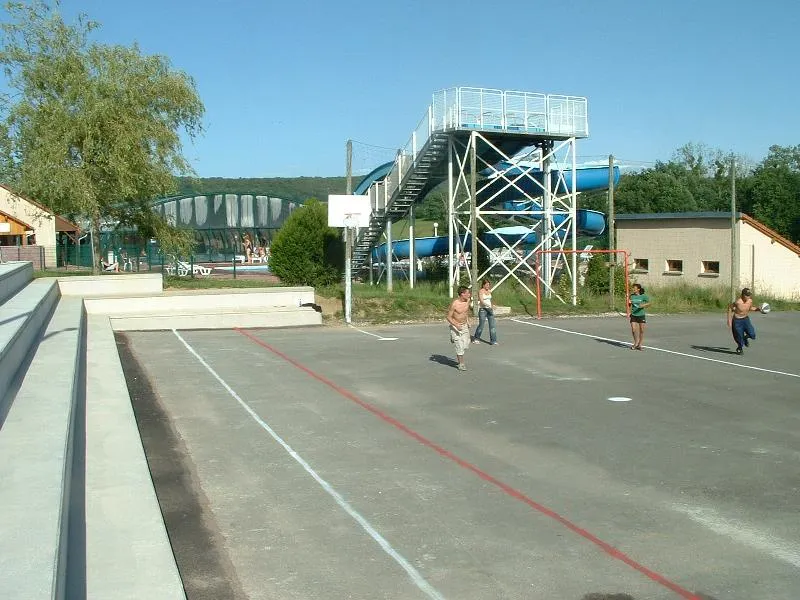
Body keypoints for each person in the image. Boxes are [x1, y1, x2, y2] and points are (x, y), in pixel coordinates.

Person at [727, 287, 762, 354]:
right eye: (747, 295)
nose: (748, 297)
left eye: (749, 295)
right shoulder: (738, 302)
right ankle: (740, 348)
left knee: (752, 334)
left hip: (745, 319)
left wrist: (758, 309)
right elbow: (730, 308)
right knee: (739, 337)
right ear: (743, 295)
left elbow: (750, 308)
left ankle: (745, 338)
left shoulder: (750, 301)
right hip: (737, 321)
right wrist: (729, 320)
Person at [446, 285, 472, 371]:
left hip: (464, 325)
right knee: (459, 346)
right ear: (462, 294)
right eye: (467, 293)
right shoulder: (454, 304)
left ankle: (453, 338)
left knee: (466, 344)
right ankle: (461, 364)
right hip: (455, 326)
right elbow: (449, 317)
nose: (469, 294)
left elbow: (465, 312)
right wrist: (456, 325)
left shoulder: (468, 301)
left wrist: (468, 321)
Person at [473, 279, 498, 345]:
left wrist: (492, 305)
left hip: (489, 310)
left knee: (492, 326)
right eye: (486, 285)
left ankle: (493, 341)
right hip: (483, 310)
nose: (488, 286)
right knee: (481, 325)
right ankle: (476, 338)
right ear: (483, 285)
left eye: (489, 285)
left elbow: (490, 300)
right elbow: (481, 301)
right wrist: (489, 305)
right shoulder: (481, 291)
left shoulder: (489, 291)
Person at [628, 283, 650, 350]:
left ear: (638, 289)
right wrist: (628, 303)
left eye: (634, 289)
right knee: (634, 330)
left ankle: (640, 345)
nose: (633, 290)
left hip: (641, 315)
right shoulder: (631, 296)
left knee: (642, 330)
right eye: (633, 288)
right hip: (633, 315)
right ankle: (636, 343)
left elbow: (649, 303)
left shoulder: (643, 296)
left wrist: (643, 305)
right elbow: (628, 305)